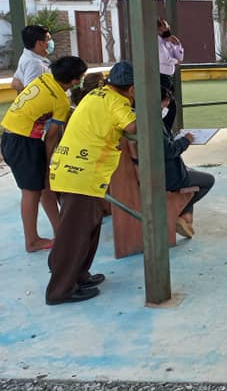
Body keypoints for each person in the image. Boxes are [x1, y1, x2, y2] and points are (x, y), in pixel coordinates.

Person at [46, 61, 138, 305]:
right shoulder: (117, 102)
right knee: (74, 234)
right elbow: (132, 126)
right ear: (131, 89)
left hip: (74, 171)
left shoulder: (96, 95)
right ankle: (60, 290)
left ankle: (79, 275)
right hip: (81, 175)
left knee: (88, 228)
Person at [1, 55, 87, 252]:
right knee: (31, 192)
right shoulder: (61, 100)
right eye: (80, 77)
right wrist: (48, 161)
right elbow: (52, 135)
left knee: (45, 186)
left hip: (10, 136)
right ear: (73, 80)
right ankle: (32, 241)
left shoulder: (44, 78)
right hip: (24, 142)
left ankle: (60, 229)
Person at [160, 88, 215, 239]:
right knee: (208, 180)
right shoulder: (155, 124)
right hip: (167, 176)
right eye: (165, 104)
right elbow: (169, 150)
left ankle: (186, 218)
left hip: (160, 171)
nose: (166, 107)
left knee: (191, 174)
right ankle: (181, 215)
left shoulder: (142, 119)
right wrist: (185, 140)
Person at [157, 17, 184, 132]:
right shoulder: (157, 41)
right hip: (161, 77)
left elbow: (180, 57)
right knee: (170, 106)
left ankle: (166, 131)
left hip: (168, 78)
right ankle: (165, 132)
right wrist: (175, 61)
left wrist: (178, 44)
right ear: (158, 29)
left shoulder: (168, 42)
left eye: (167, 26)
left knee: (170, 106)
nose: (167, 29)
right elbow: (164, 59)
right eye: (164, 27)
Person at [11, 25, 53, 93]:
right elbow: (32, 92)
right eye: (49, 39)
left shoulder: (29, 55)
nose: (51, 42)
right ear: (40, 43)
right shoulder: (35, 64)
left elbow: (15, 82)